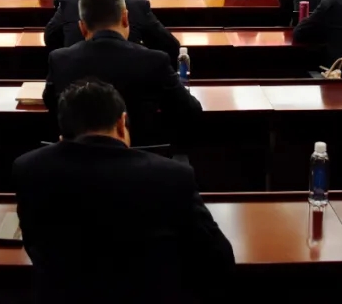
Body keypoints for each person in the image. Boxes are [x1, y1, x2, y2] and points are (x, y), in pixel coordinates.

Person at [14, 81, 234, 304]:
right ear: (122, 123)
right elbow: (219, 257)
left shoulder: (28, 170)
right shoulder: (173, 176)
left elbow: (33, 244)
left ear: (62, 133)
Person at [43, 0, 201, 146]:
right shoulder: (154, 60)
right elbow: (190, 110)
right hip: (141, 157)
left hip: (76, 158)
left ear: (82, 27)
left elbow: (52, 105)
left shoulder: (60, 60)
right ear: (125, 18)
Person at [45, 0, 179, 58]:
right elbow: (169, 45)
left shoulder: (69, 2)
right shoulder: (136, 5)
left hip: (77, 74)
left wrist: (66, 54)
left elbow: (50, 37)